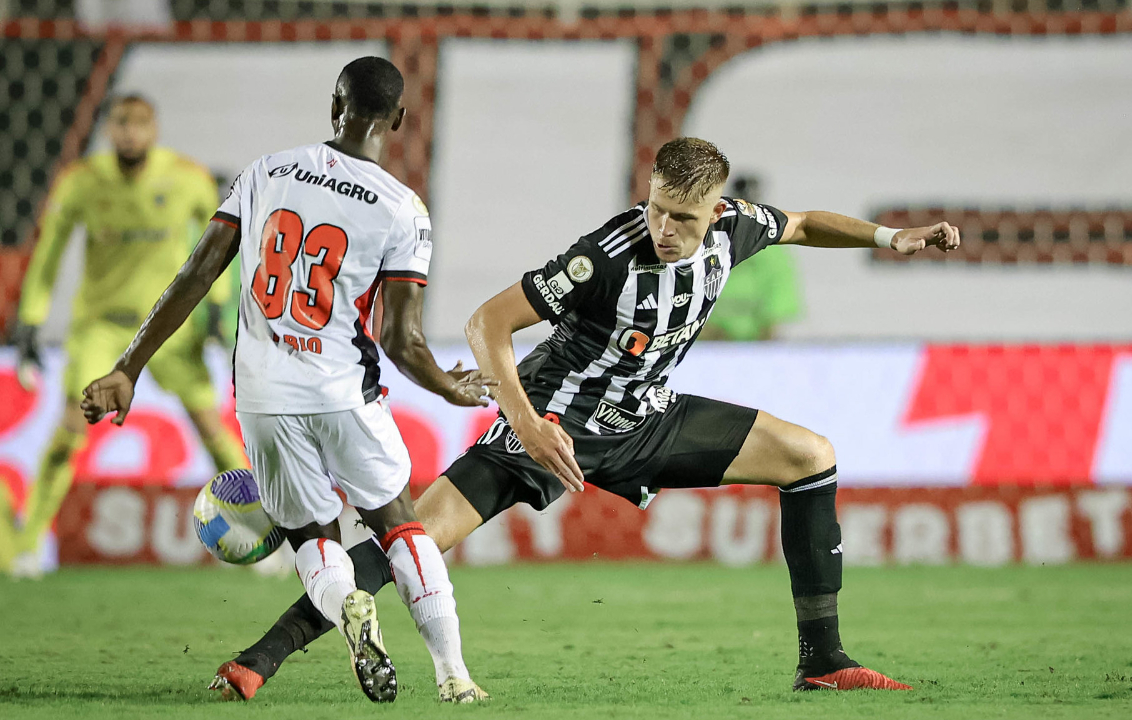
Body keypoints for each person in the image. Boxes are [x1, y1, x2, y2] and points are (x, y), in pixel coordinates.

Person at [209, 137, 960, 698]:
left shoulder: (735, 227)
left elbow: (801, 224)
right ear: (649, 193)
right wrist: (525, 419)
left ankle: (823, 661)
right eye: (659, 209)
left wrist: (891, 239)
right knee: (415, 537)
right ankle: (258, 659)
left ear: (714, 210)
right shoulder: (603, 255)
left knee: (811, 454)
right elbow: (486, 323)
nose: (668, 229)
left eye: (685, 218)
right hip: (556, 422)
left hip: (646, 418)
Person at [80, 57, 493, 704]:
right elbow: (402, 341)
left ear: (335, 106)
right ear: (400, 119)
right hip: (342, 391)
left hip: (265, 398)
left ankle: (350, 606)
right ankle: (453, 675)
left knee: (311, 538)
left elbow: (197, 273)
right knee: (398, 524)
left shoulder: (266, 170)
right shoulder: (402, 209)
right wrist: (448, 387)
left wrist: (128, 367)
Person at [5, 94, 245, 578]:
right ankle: (28, 547)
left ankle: (257, 537)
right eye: (120, 124)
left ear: (154, 129)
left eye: (138, 125)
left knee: (214, 430)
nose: (129, 134)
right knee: (70, 430)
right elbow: (48, 253)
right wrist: (31, 319)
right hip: (102, 326)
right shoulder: (81, 183)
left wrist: (219, 312)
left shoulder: (187, 178)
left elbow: (224, 246)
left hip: (168, 327)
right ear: (109, 130)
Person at [703, 175, 803, 341]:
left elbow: (777, 308)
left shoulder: (775, 249)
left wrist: (763, 338)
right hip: (708, 344)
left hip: (755, 346)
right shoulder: (709, 241)